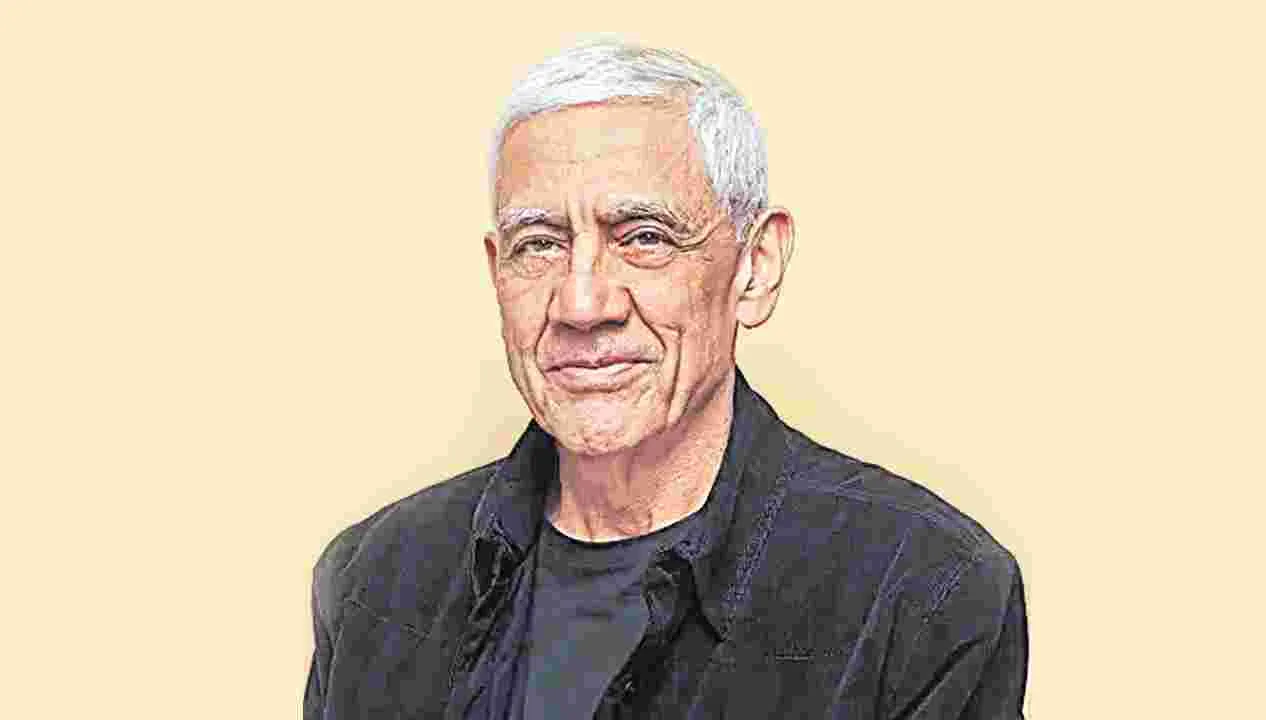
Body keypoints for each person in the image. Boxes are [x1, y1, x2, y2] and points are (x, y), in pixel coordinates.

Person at [304, 39, 1028, 720]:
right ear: (497, 273)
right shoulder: (372, 580)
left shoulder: (924, 594)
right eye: (540, 245)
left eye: (644, 238)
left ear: (755, 267)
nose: (582, 303)